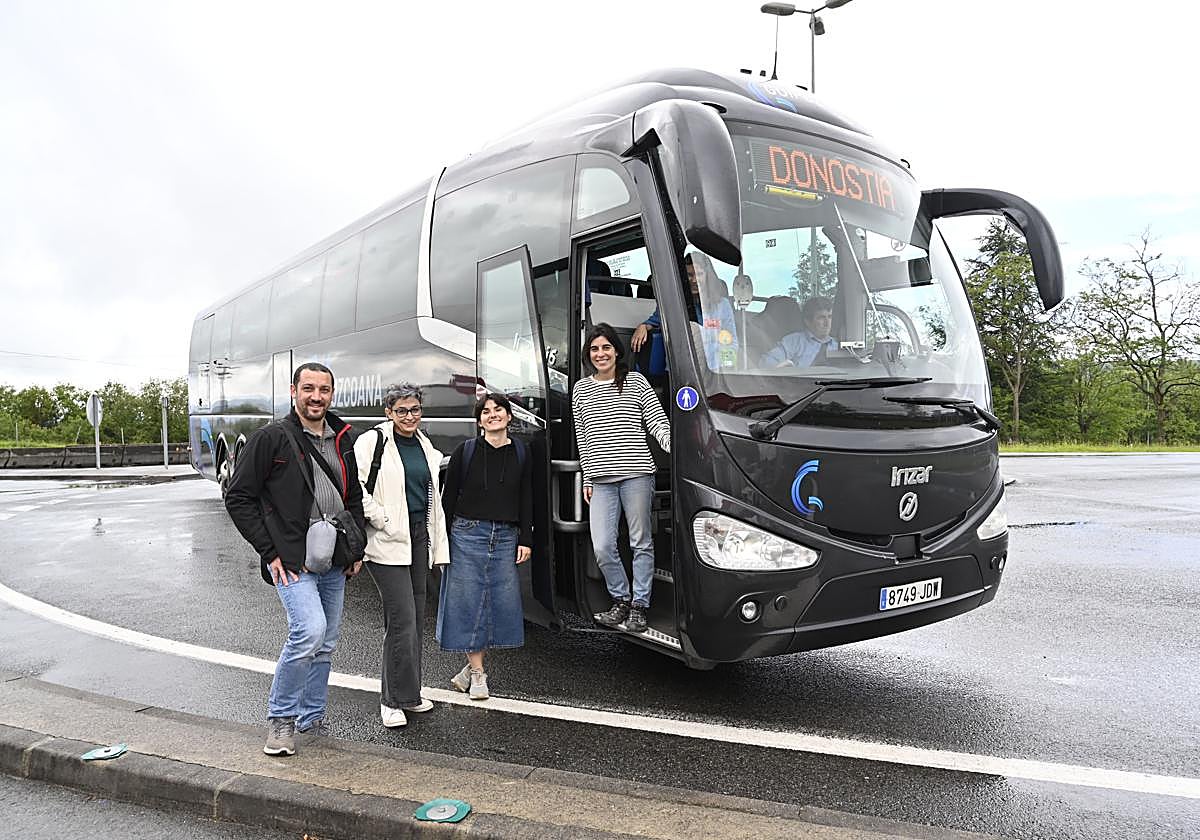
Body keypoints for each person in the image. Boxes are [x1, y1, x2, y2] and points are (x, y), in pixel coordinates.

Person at [225, 362, 365, 757]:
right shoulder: (271, 438)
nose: (316, 396)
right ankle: (281, 719)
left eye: (323, 390)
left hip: (334, 555)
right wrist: (268, 551)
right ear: (293, 391)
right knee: (309, 632)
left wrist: (356, 549)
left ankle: (312, 718)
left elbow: (351, 496)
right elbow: (238, 497)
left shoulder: (342, 438)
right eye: (308, 388)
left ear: (331, 395)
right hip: (291, 559)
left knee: (327, 642)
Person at [353, 382, 449, 729]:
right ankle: (391, 700)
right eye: (402, 411)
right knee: (402, 621)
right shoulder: (373, 441)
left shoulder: (425, 444)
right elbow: (354, 488)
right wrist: (382, 518)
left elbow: (431, 497)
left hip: (418, 539)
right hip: (386, 541)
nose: (410, 416)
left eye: (415, 410)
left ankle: (410, 694)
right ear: (388, 412)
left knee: (415, 621)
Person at [572, 323, 671, 634]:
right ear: (589, 355)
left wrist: (677, 448)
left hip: (637, 474)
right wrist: (587, 478)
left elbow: (658, 423)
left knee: (640, 541)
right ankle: (621, 599)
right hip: (601, 480)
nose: (600, 354)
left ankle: (639, 606)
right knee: (602, 545)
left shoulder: (636, 382)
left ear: (617, 350)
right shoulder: (581, 389)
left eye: (606, 347)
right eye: (594, 349)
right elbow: (583, 438)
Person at [437, 392, 533, 701]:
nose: (493, 415)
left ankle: (469, 669)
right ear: (480, 420)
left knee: (496, 606)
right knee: (468, 603)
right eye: (486, 411)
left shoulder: (521, 451)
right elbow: (447, 500)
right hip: (466, 534)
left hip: (506, 536)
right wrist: (441, 545)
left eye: (499, 410)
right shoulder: (465, 451)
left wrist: (526, 539)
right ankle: (478, 674)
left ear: (509, 416)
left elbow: (528, 497)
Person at [629, 252, 737, 371]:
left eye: (699, 274)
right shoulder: (672, 303)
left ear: (708, 276)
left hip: (715, 371)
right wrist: (643, 326)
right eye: (690, 275)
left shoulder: (722, 305)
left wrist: (726, 369)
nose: (694, 280)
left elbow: (731, 343)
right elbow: (655, 322)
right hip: (681, 372)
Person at [761, 295, 838, 368]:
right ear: (807, 321)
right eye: (821, 318)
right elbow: (766, 363)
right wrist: (786, 370)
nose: (827, 323)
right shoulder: (793, 342)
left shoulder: (838, 346)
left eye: (830, 317)